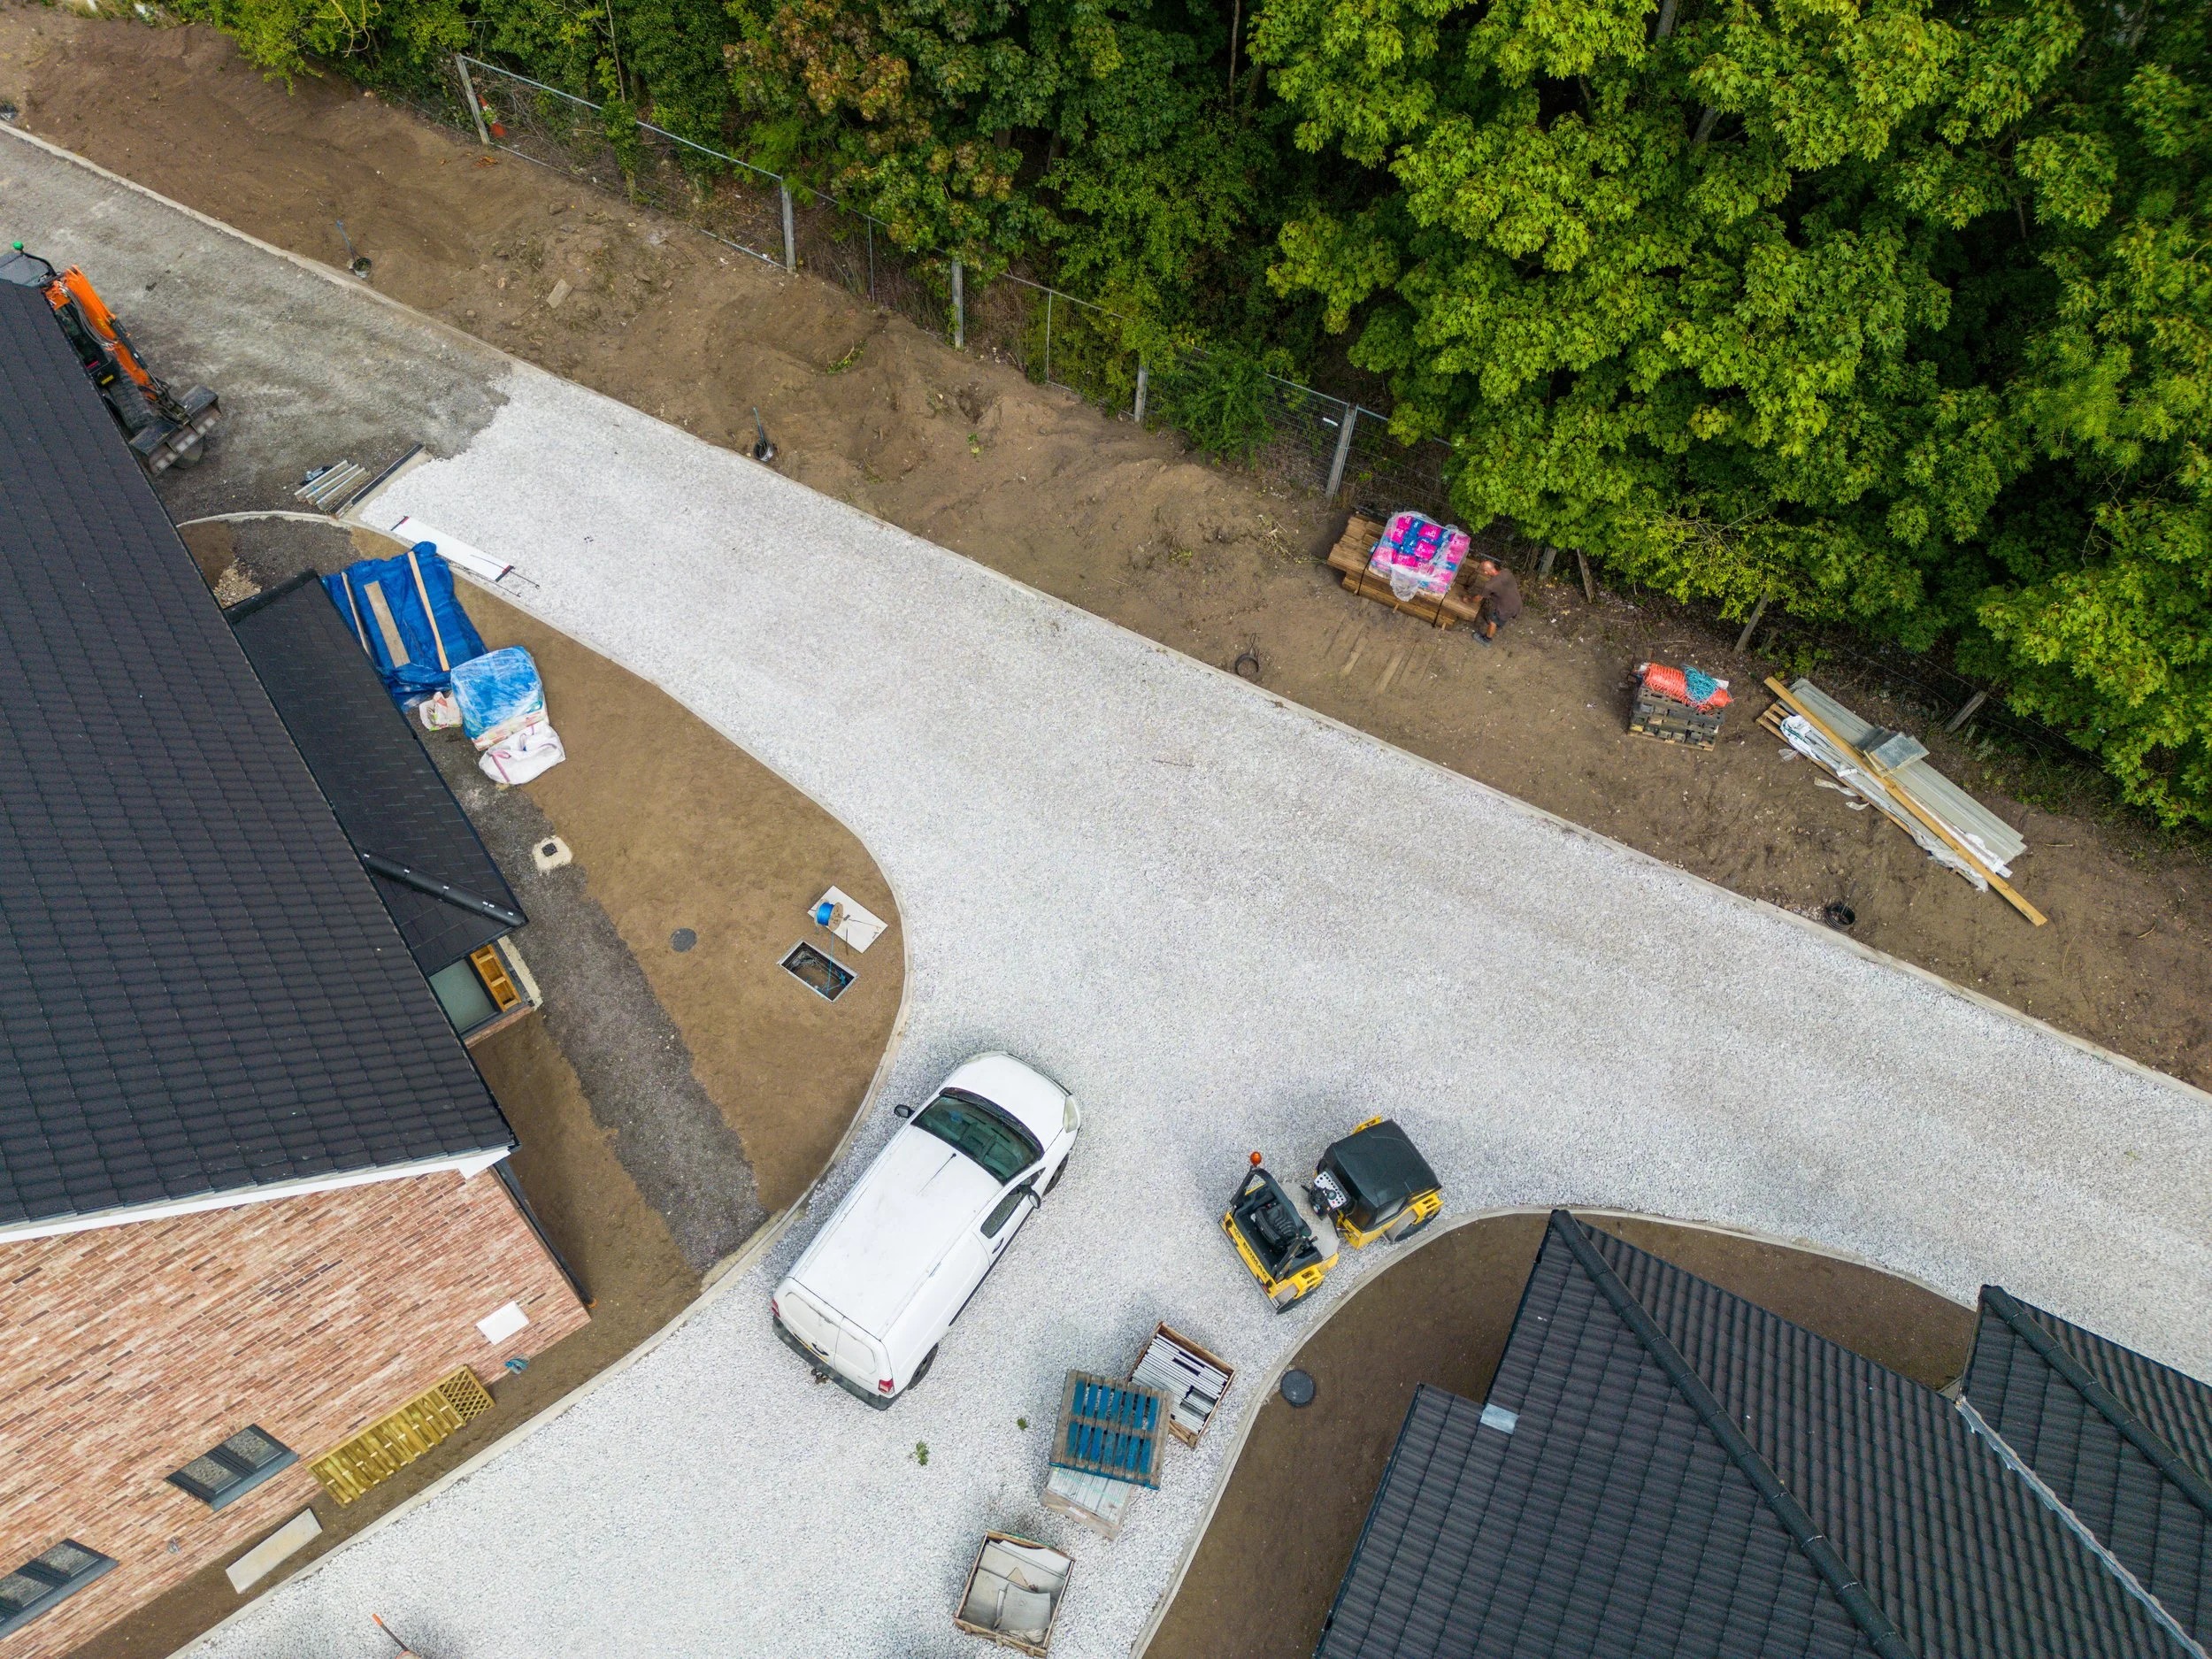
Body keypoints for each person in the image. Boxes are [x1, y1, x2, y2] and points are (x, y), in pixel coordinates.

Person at [1467, 555, 1522, 642]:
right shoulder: (1506, 572)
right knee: (1501, 618)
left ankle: (1486, 640)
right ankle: (1500, 623)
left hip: (1507, 608)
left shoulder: (1489, 586)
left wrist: (1469, 600)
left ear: (1486, 572)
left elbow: (1479, 598)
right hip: (1517, 602)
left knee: (1493, 622)